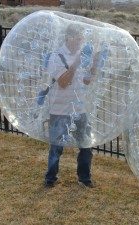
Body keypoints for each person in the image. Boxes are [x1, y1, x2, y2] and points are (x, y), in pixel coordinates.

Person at [44, 24, 97, 189]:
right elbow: (63, 82)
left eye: (81, 39)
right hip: (60, 109)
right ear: (68, 37)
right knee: (56, 147)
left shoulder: (82, 55)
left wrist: (94, 64)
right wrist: (76, 63)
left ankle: (85, 178)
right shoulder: (57, 56)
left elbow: (86, 81)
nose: (80, 42)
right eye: (77, 38)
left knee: (86, 145)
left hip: (79, 109)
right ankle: (50, 178)